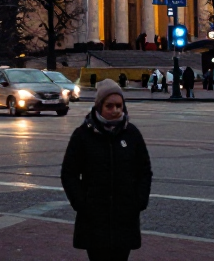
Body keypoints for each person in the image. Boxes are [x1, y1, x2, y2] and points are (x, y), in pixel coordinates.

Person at [62, 79, 152, 261]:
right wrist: (82, 203)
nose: (115, 110)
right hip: (94, 217)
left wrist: (139, 201)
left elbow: (144, 171)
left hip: (124, 216)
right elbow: (69, 173)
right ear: (99, 106)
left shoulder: (131, 133)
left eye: (119, 106)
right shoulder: (82, 135)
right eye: (109, 106)